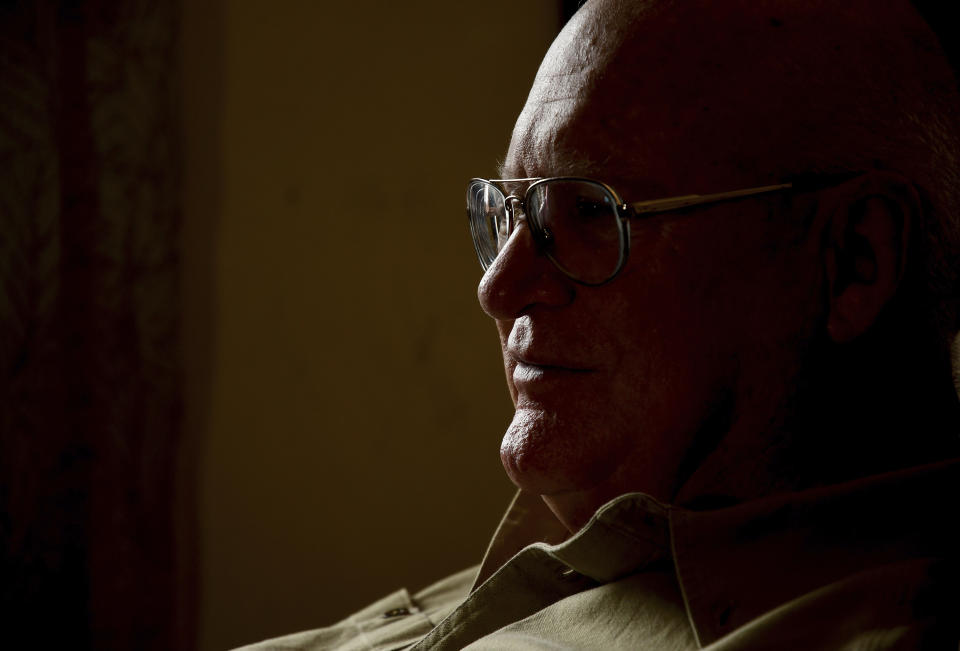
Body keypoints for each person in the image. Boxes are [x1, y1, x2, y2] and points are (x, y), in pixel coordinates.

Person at [240, 0, 960, 648]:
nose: (498, 288)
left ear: (855, 260)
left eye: (590, 211)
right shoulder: (556, 555)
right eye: (511, 213)